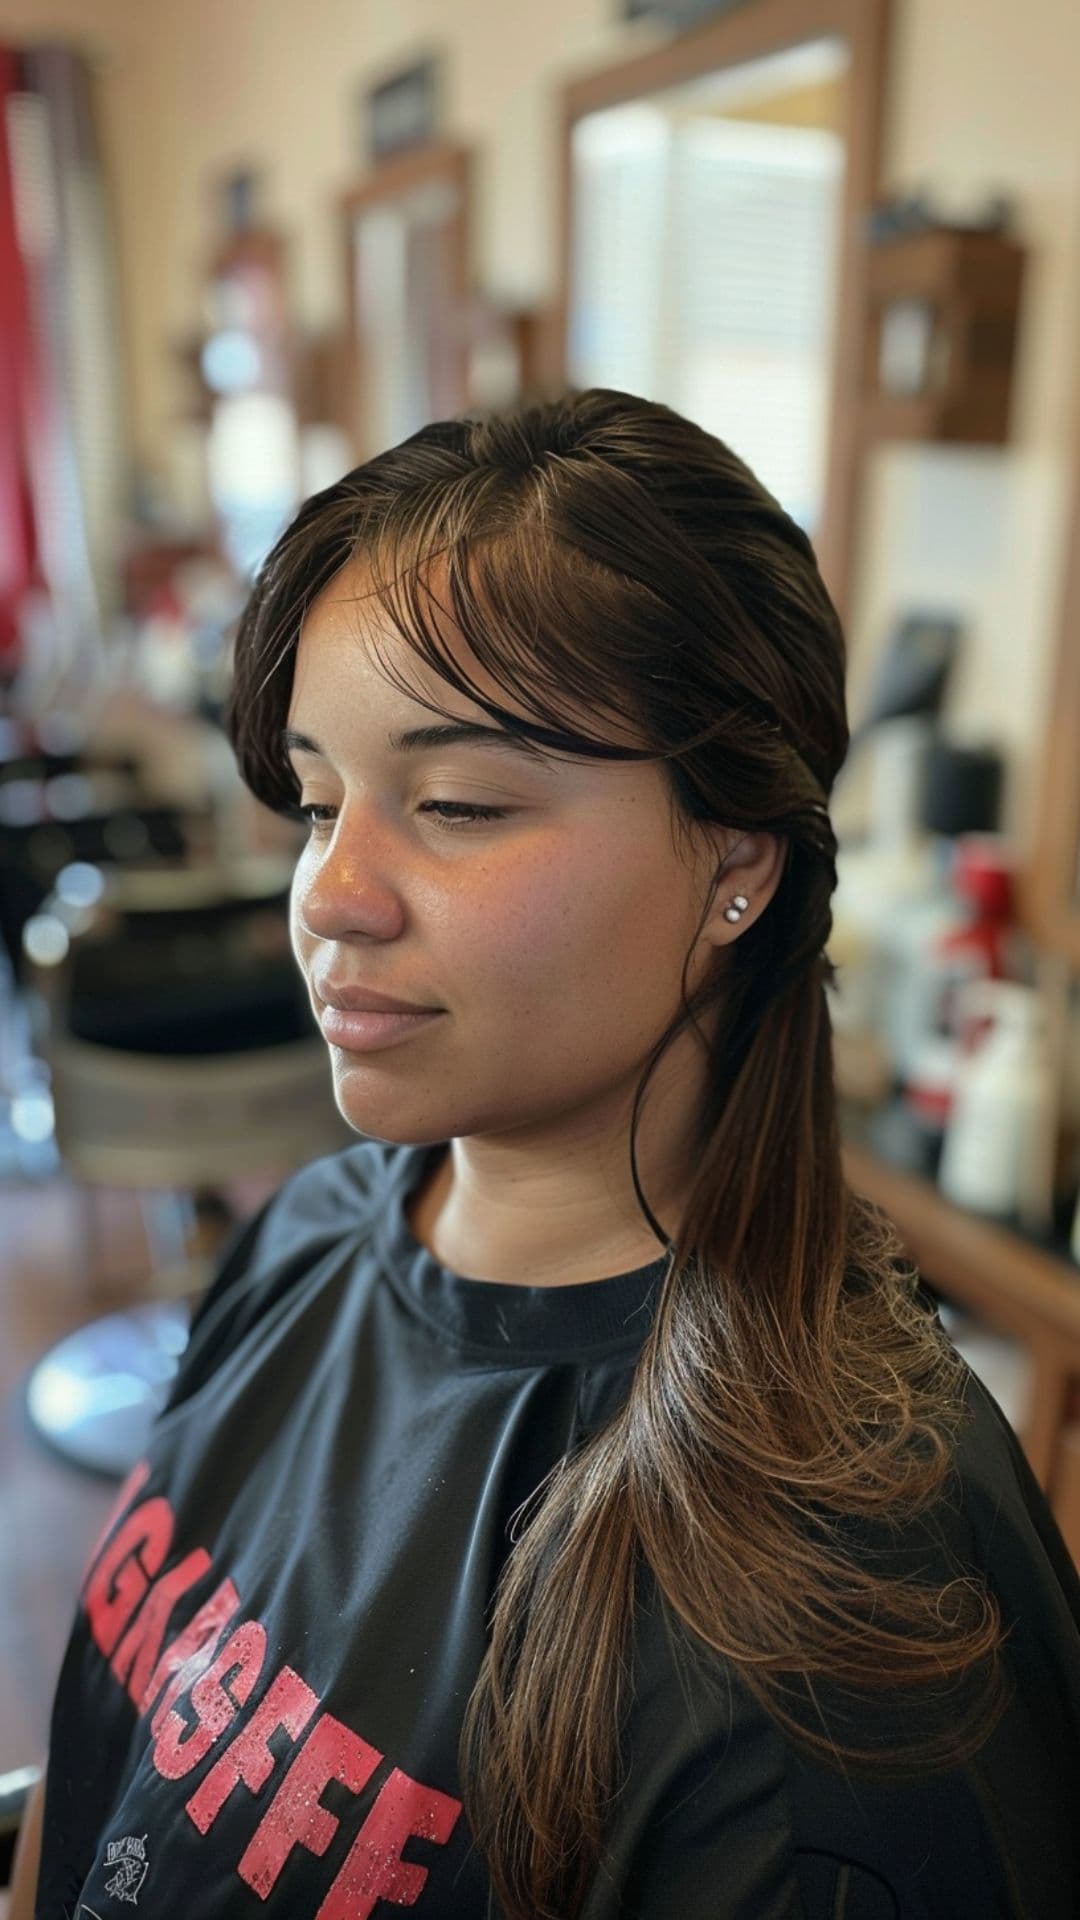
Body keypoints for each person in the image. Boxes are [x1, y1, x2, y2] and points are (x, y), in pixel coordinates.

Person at [14, 388, 1080, 1920]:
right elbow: (114, 1762)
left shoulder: (841, 1642)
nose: (332, 893)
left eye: (455, 803)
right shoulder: (319, 1224)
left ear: (735, 863)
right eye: (319, 800)